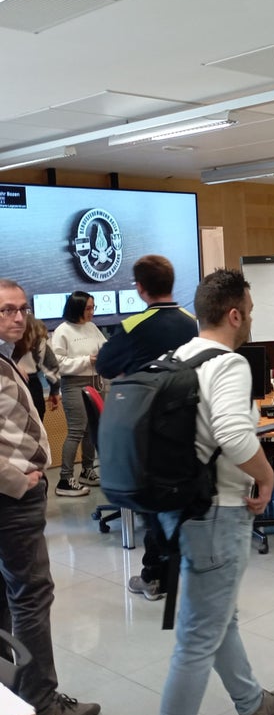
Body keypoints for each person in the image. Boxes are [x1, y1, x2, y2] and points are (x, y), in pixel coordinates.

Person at [157, 269, 274, 715]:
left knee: (216, 616)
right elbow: (233, 434)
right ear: (234, 315)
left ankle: (252, 703)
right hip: (217, 512)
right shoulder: (229, 364)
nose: (250, 319)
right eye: (249, 311)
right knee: (197, 638)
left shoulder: (180, 357)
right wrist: (266, 477)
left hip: (182, 508)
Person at [0, 278, 101, 715]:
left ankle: (13, 697)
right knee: (31, 596)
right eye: (6, 309)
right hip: (11, 498)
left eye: (22, 308)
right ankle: (41, 703)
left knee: (8, 597)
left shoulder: (10, 356)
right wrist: (17, 481)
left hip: (13, 493)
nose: (18, 317)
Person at [96, 255, 198, 602]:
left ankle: (155, 576)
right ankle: (184, 570)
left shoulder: (133, 325)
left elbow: (105, 365)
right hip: (190, 421)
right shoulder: (192, 322)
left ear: (140, 288)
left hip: (147, 426)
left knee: (155, 499)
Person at [51, 292, 107, 498]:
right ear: (77, 309)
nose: (92, 312)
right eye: (88, 308)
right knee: (76, 430)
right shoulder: (62, 331)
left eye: (93, 307)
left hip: (96, 382)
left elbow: (104, 347)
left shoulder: (92, 327)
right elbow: (58, 363)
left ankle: (87, 471)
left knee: (92, 429)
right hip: (73, 384)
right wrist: (87, 360)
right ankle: (65, 479)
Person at [13, 314, 60, 421]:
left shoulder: (6, 337)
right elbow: (52, 367)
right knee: (35, 424)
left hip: (7, 384)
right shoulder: (37, 337)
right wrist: (54, 391)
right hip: (32, 386)